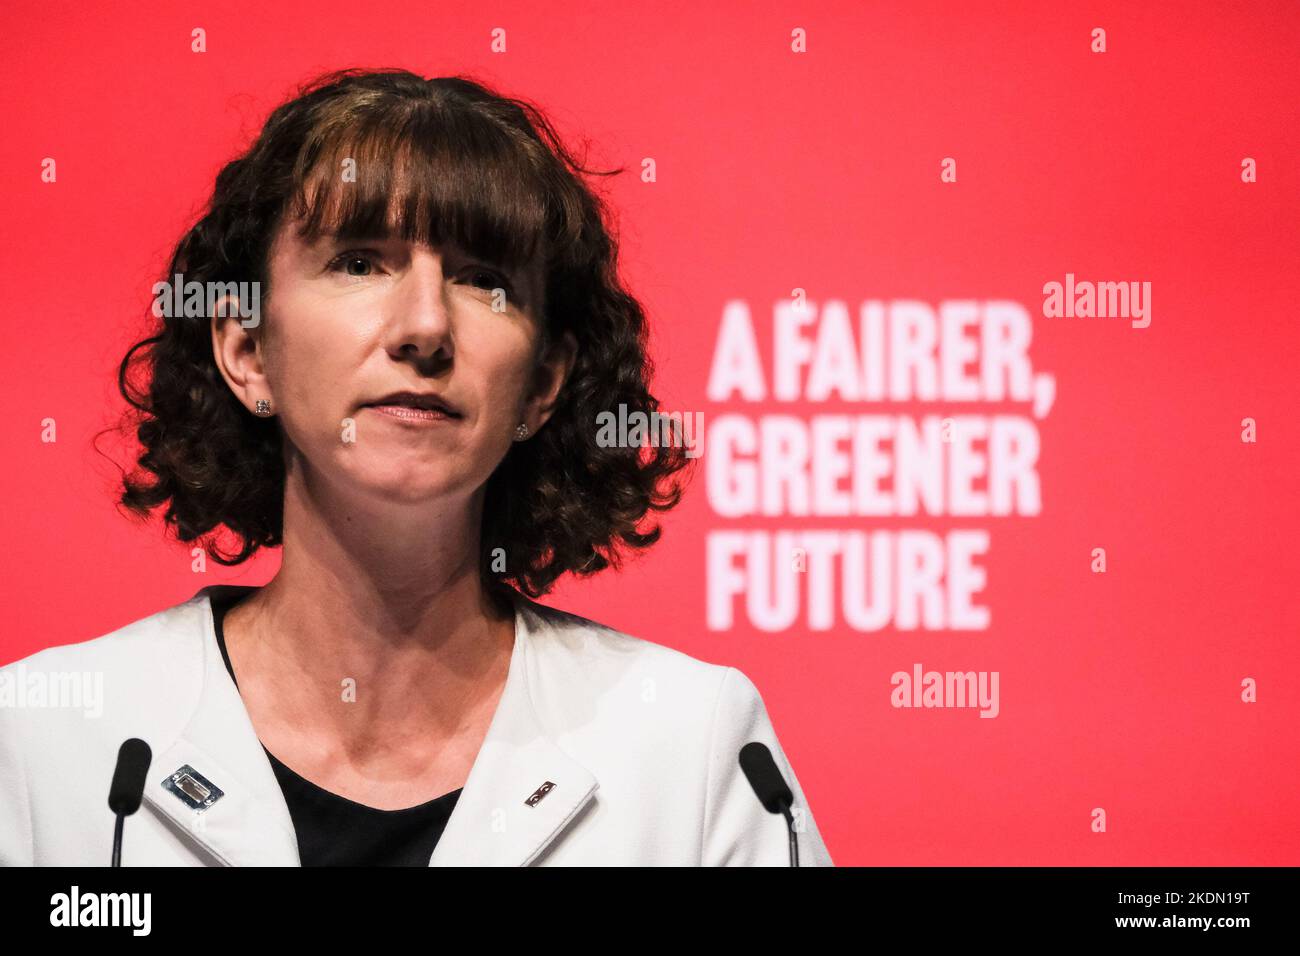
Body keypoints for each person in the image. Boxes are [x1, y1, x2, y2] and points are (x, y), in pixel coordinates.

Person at [0, 68, 834, 866]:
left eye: (483, 280)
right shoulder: (47, 741)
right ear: (247, 348)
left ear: (542, 382)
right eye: (360, 262)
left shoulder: (693, 745)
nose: (426, 327)